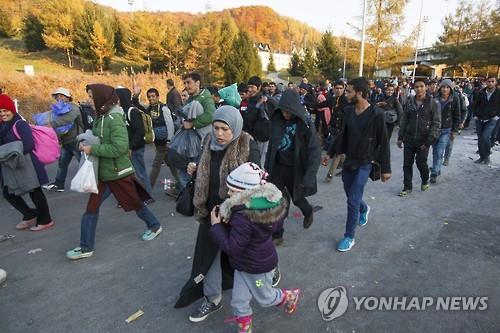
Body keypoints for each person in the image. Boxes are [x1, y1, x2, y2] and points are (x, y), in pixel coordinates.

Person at [174, 105, 260, 321]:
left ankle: (266, 280)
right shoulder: (207, 142)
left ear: (236, 128)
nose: (219, 134)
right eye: (216, 127)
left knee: (248, 255)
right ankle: (213, 299)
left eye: (225, 129)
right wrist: (194, 167)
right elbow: (204, 166)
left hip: (238, 212)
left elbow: (257, 182)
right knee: (208, 257)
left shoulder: (247, 144)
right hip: (210, 210)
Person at [65, 84, 162, 260]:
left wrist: (92, 149)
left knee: (136, 203)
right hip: (103, 173)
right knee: (90, 210)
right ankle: (86, 247)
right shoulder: (101, 117)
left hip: (119, 173)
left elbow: (120, 148)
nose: (89, 100)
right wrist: (85, 143)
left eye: (91, 97)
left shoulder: (114, 118)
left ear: (102, 98)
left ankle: (154, 225)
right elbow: (99, 140)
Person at [209, 162, 300, 332]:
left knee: (265, 297)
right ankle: (244, 327)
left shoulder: (244, 217)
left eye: (233, 191)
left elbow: (232, 247)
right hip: (245, 265)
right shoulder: (263, 205)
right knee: (239, 300)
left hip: (257, 270)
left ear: (246, 192)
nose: (228, 193)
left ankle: (289, 296)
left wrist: (216, 226)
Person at [325, 77, 391, 252]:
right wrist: (330, 153)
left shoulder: (376, 114)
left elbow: (383, 142)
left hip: (365, 163)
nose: (346, 94)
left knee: (352, 200)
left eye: (349, 91)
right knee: (351, 197)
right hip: (349, 162)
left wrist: (386, 169)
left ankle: (349, 236)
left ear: (359, 93)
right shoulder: (348, 111)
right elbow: (341, 136)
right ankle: (365, 208)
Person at [265, 89, 321, 245]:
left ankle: (308, 210)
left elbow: (315, 151)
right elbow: (271, 146)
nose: (286, 114)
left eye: (289, 112)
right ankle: (277, 234)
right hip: (278, 168)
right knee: (276, 200)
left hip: (296, 168)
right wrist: (266, 169)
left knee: (297, 198)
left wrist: (310, 175)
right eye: (283, 111)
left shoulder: (305, 124)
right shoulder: (276, 120)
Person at [0, 94, 54, 231]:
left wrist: (9, 153)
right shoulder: (3, 125)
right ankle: (29, 214)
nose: (3, 114)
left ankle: (45, 220)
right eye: (0, 111)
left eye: (5, 110)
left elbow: (29, 144)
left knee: (35, 191)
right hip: (14, 165)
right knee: (8, 192)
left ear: (12, 109)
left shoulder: (20, 124)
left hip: (28, 164)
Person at [397, 78, 441, 197]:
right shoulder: (410, 101)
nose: (419, 89)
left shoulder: (433, 103)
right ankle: (407, 186)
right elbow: (405, 120)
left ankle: (425, 179)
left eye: (421, 86)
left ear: (426, 87)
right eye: (416, 87)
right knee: (407, 164)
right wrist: (400, 137)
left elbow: (436, 123)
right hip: (409, 138)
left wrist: (429, 140)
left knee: (421, 163)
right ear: (413, 88)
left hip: (424, 139)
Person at [43, 87, 83, 192]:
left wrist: (51, 124)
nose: (59, 98)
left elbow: (68, 119)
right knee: (62, 164)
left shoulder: (73, 108)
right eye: (57, 96)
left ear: (68, 97)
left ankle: (96, 182)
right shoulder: (59, 110)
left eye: (62, 96)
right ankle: (59, 184)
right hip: (66, 142)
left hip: (76, 140)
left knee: (83, 162)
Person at [116, 87, 154, 197]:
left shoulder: (132, 112)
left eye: (117, 98)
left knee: (141, 173)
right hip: (129, 147)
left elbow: (140, 132)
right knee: (129, 174)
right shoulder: (122, 111)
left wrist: (130, 147)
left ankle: (148, 195)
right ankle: (133, 195)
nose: (116, 101)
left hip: (136, 148)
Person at [143, 88, 176, 190]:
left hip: (164, 141)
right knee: (170, 163)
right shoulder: (148, 110)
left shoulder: (163, 108)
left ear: (158, 97)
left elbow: (169, 124)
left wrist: (169, 140)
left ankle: (149, 186)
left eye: (153, 96)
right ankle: (182, 182)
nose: (151, 98)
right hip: (157, 141)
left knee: (156, 164)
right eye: (149, 96)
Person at [430, 79, 461, 183]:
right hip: (435, 129)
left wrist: (454, 131)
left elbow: (457, 116)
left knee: (439, 151)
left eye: (447, 87)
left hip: (446, 130)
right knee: (435, 151)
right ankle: (437, 168)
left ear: (451, 89)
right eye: (443, 87)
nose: (445, 89)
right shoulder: (434, 98)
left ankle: (434, 172)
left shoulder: (454, 100)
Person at [473, 77, 499, 165]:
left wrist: (497, 116)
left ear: (496, 83)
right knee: (480, 139)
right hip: (480, 118)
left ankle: (487, 155)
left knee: (485, 136)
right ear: (486, 82)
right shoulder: (480, 92)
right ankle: (481, 156)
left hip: (492, 118)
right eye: (489, 81)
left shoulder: (498, 93)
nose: (490, 83)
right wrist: (475, 115)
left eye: (492, 81)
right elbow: (475, 104)